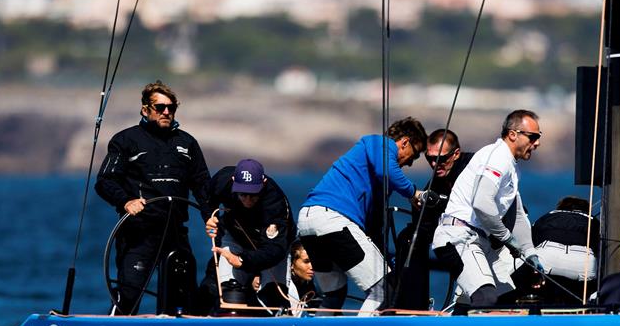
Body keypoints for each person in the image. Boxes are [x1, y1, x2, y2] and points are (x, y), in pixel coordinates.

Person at [95, 80, 212, 315]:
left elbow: (202, 186)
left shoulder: (187, 143)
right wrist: (126, 201)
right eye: (160, 107)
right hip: (140, 232)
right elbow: (105, 181)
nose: (166, 112)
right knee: (128, 294)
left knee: (184, 299)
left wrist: (210, 215)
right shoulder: (125, 140)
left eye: (171, 107)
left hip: (176, 232)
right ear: (145, 109)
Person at [297, 117, 427, 315]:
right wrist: (413, 193)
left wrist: (384, 258)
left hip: (308, 222)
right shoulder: (378, 143)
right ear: (404, 142)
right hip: (332, 219)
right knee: (384, 289)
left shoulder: (377, 172)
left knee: (334, 293)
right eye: (414, 155)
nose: (409, 163)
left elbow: (373, 226)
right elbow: (388, 171)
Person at [432, 110, 544, 309]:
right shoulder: (497, 157)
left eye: (539, 138)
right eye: (533, 137)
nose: (537, 144)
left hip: (480, 240)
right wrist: (507, 239)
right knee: (487, 298)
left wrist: (529, 252)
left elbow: (517, 214)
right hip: (459, 236)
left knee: (510, 299)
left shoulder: (511, 166)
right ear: (512, 135)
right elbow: (482, 204)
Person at [197, 158, 296, 315]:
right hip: (235, 237)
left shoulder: (275, 203)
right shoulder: (223, 180)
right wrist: (209, 217)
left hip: (270, 248)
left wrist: (243, 260)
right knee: (224, 290)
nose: (248, 200)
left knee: (272, 298)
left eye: (253, 194)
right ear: (234, 181)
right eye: (243, 194)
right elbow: (205, 195)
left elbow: (275, 249)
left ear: (263, 183)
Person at [392, 129, 472, 310]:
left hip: (488, 240)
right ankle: (412, 309)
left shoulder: (474, 167)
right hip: (457, 245)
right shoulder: (434, 184)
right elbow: (424, 227)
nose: (435, 164)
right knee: (409, 237)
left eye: (441, 159)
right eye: (430, 159)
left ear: (456, 154)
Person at [526, 196, 600, 303]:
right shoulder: (593, 220)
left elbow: (531, 241)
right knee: (581, 296)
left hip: (548, 258)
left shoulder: (547, 216)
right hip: (583, 264)